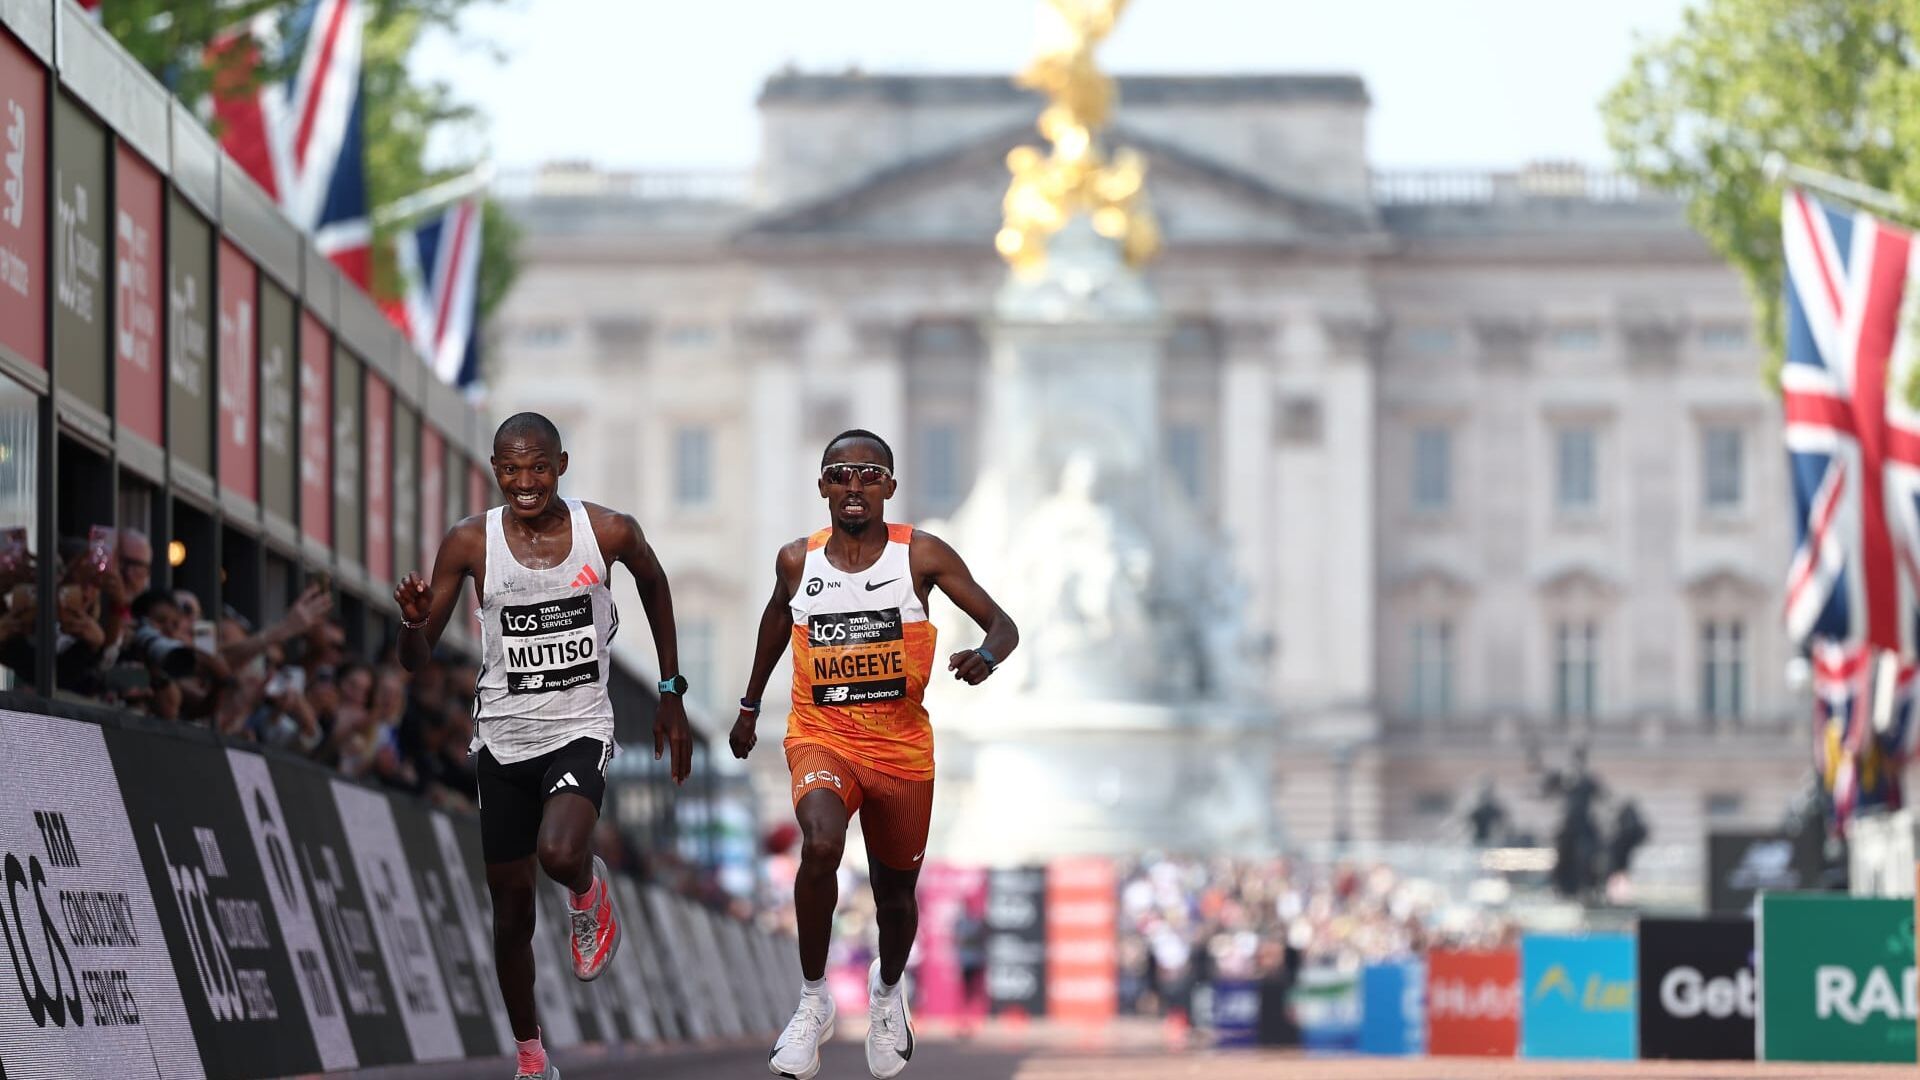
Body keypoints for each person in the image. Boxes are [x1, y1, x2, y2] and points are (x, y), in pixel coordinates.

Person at [395, 411, 693, 1080]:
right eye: (509, 469)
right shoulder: (471, 542)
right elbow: (416, 658)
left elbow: (654, 582)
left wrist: (671, 689)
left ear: (560, 463)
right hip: (501, 737)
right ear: (494, 470)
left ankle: (589, 890)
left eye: (537, 467)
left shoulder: (607, 530)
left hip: (579, 727)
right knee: (510, 911)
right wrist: (413, 624)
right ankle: (531, 1057)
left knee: (559, 853)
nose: (524, 482)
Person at [731, 429, 1018, 1080]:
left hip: (901, 752)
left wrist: (987, 656)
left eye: (868, 474)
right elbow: (778, 619)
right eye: (840, 473)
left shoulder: (921, 555)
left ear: (889, 485)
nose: (853, 486)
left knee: (895, 898)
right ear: (823, 486)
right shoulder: (796, 561)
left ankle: (889, 993)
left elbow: (1003, 624)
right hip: (821, 735)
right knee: (822, 842)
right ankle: (812, 1002)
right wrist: (749, 706)